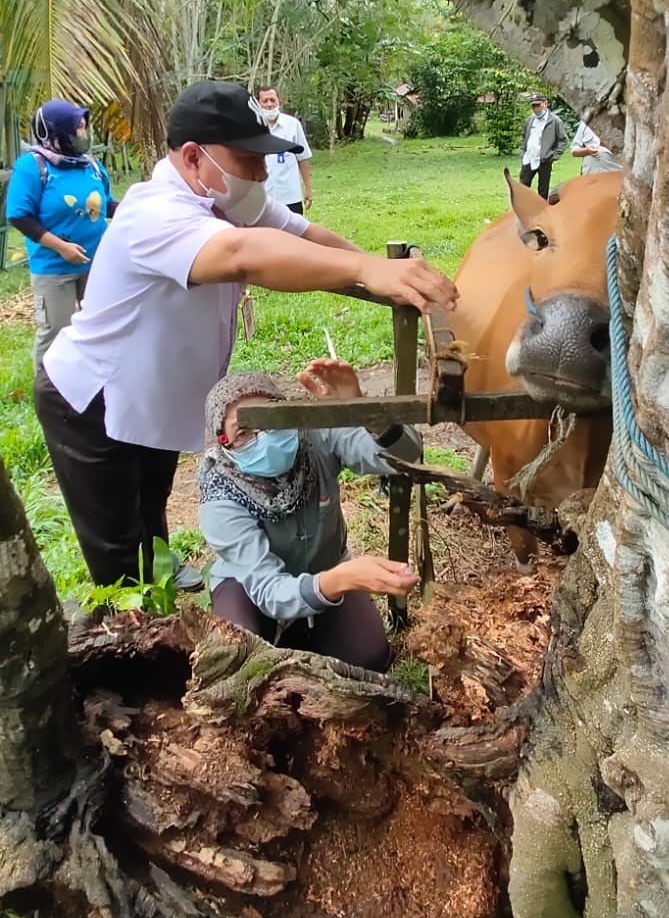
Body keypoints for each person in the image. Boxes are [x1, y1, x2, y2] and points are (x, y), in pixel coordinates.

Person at [34, 78, 456, 594]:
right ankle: (130, 647)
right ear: (193, 158)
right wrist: (367, 269)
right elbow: (243, 255)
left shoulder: (229, 201)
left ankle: (163, 590)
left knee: (151, 506)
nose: (262, 172)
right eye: (248, 159)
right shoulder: (152, 213)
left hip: (152, 394)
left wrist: (374, 271)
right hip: (92, 398)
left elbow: (303, 235)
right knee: (119, 547)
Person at [199, 359, 421, 670]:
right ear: (224, 444)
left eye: (271, 419)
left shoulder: (314, 437)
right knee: (238, 659)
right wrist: (343, 577)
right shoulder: (221, 495)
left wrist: (364, 409)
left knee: (369, 658)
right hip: (250, 587)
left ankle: (304, 635)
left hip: (327, 566)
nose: (263, 437)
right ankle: (289, 635)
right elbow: (268, 590)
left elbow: (404, 456)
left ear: (287, 411)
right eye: (244, 432)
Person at [6, 100, 117, 372]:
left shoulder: (90, 164)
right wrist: (60, 247)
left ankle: (93, 382)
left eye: (84, 127)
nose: (83, 134)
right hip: (54, 267)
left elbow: (107, 203)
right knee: (56, 329)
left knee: (99, 325)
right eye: (77, 128)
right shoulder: (33, 166)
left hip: (95, 261)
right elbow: (19, 215)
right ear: (55, 133)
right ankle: (49, 392)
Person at [256, 85, 312, 214]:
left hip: (290, 195)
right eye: (265, 101)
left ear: (279, 102)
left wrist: (308, 188)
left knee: (293, 232)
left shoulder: (292, 125)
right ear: (258, 104)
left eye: (272, 100)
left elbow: (303, 158)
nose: (269, 104)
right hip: (263, 196)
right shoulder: (254, 128)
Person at [519, 92, 568, 200]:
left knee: (543, 190)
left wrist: (553, 155)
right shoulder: (530, 120)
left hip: (544, 160)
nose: (536, 109)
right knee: (522, 187)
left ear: (545, 104)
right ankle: (521, 211)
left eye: (538, 105)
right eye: (533, 106)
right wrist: (523, 151)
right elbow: (523, 136)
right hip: (529, 158)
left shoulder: (555, 121)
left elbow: (563, 140)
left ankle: (541, 213)